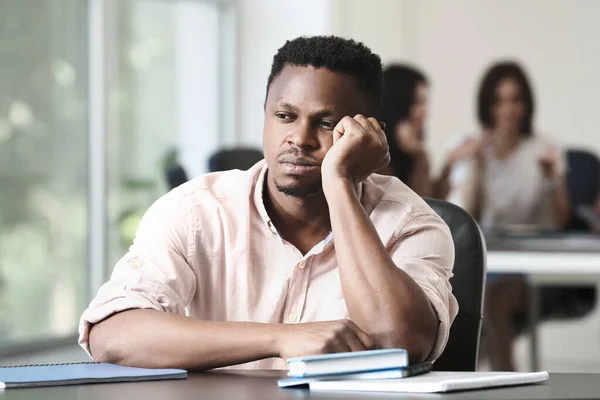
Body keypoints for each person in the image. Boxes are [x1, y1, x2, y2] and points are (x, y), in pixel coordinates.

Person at [80, 36, 458, 371]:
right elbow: (113, 335)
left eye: (326, 123)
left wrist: (339, 182)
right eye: (284, 116)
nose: (300, 138)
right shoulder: (196, 211)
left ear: (365, 133)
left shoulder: (411, 223)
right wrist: (280, 339)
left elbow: (401, 343)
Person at [440, 61, 570, 371]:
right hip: (480, 262)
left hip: (524, 267)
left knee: (493, 301)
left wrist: (554, 180)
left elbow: (562, 220)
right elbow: (466, 220)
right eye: (499, 100)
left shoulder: (543, 150)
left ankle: (504, 380)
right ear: (487, 105)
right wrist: (475, 168)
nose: (508, 110)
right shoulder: (467, 148)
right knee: (464, 300)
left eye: (515, 100)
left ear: (526, 105)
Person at [378, 65, 431, 197]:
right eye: (418, 102)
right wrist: (420, 156)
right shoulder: (373, 148)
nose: (424, 112)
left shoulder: (412, 150)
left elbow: (429, 207)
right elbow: (401, 204)